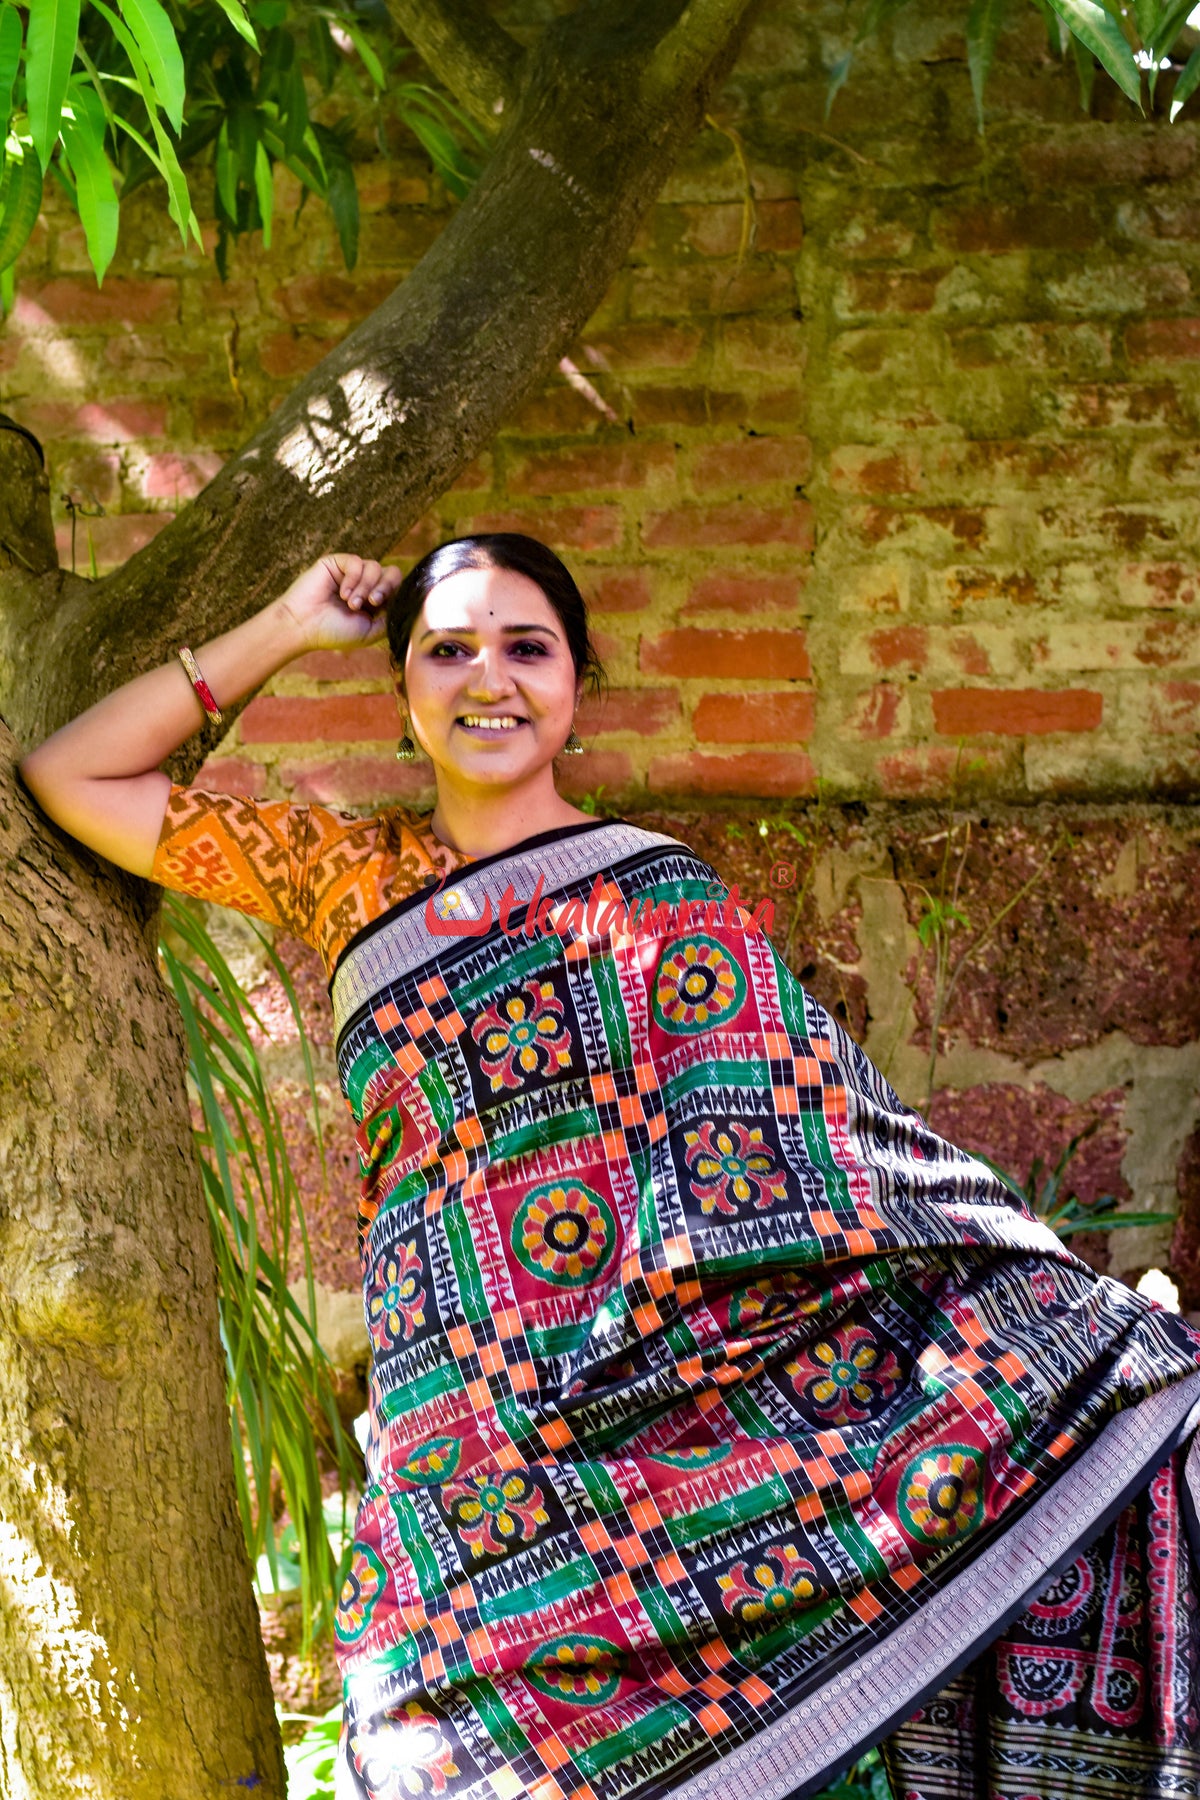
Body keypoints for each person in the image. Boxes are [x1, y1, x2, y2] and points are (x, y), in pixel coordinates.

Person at [19, 533, 1200, 1800]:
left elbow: (825, 1143)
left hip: (642, 1399)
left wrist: (1064, 1305)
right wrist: (289, 624)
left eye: (527, 649)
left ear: (578, 683)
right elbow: (69, 771)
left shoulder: (659, 899)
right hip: (457, 1445)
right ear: (403, 688)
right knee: (427, 1755)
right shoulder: (346, 878)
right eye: (448, 649)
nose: (491, 680)